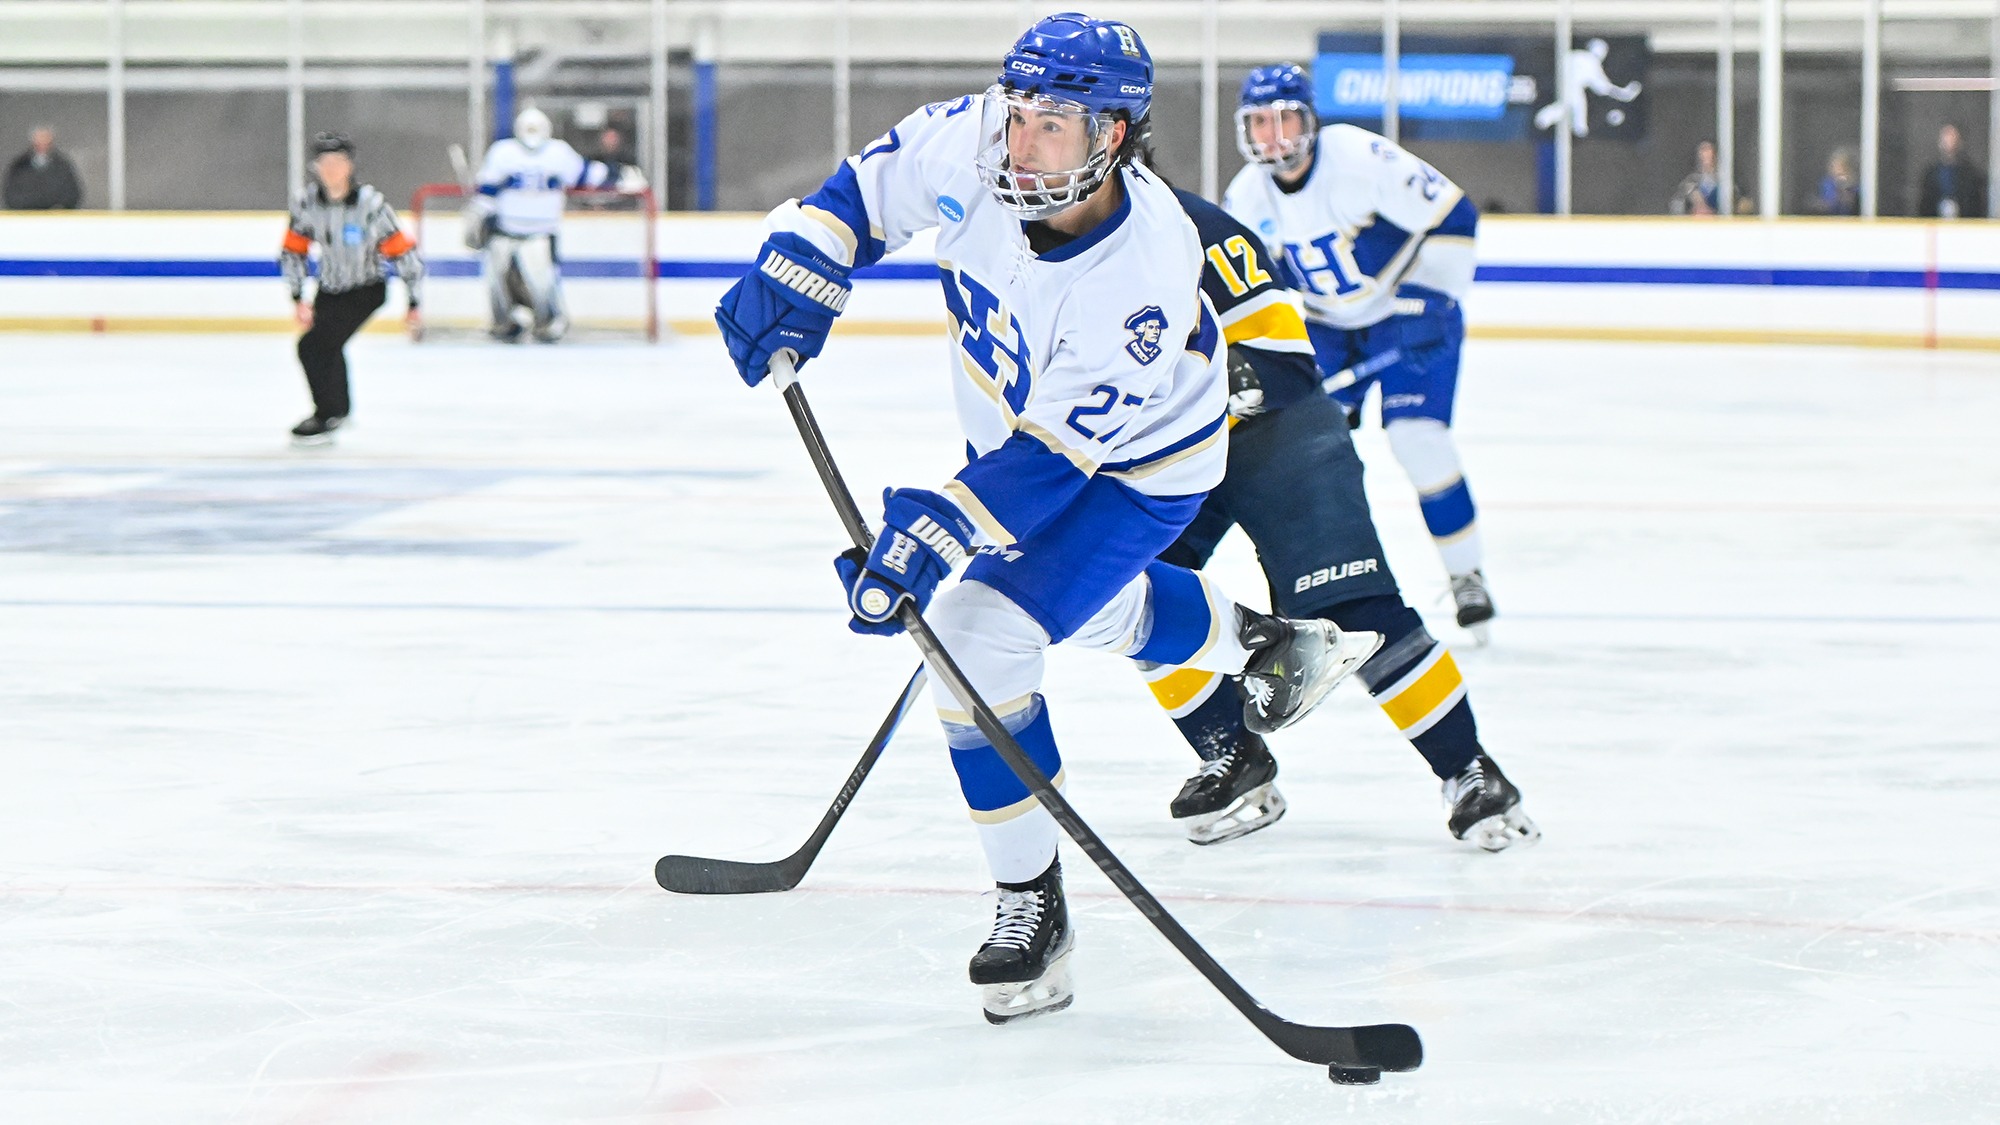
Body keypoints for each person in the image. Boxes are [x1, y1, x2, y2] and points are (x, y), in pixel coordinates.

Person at [713, 13, 1383, 1025]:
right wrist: (802, 269)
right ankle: (1261, 638)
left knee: (977, 639)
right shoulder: (974, 139)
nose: (1019, 146)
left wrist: (933, 532)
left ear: (1112, 134)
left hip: (1136, 467)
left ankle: (1032, 907)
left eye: (1052, 127)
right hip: (1013, 438)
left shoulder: (1143, 275)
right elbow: (858, 197)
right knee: (1058, 604)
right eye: (1018, 116)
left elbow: (1052, 465)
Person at [1143, 184, 1539, 854]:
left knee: (1357, 608)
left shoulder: (1179, 222)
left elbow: (1277, 352)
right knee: (1134, 591)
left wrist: (1227, 378)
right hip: (1172, 446)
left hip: (1277, 430)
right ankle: (1231, 752)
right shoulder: (1034, 253)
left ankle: (1469, 771)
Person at [1223, 63, 1498, 640]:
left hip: (1406, 314)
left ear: (1311, 119)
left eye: (1285, 119)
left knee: (1416, 438)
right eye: (1260, 123)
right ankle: (1318, 587)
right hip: (1325, 330)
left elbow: (1454, 215)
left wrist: (1433, 298)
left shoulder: (1355, 157)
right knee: (1307, 459)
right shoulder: (1245, 196)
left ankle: (1465, 576)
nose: (1274, 136)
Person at [277, 133, 422, 445]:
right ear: (316, 167)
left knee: (312, 347)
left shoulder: (371, 205)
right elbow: (293, 251)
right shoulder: (307, 204)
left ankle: (325, 414)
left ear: (349, 165)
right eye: (325, 163)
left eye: (338, 162)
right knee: (328, 346)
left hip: (365, 290)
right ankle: (339, 410)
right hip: (329, 289)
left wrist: (414, 303)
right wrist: (298, 295)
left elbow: (403, 252)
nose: (332, 169)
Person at [464, 107, 639, 342]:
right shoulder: (503, 152)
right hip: (504, 230)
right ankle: (503, 322)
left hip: (541, 232)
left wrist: (620, 175)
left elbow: (589, 175)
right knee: (495, 280)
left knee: (542, 283)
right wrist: (476, 219)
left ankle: (548, 321)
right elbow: (485, 194)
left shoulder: (558, 153)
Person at [1917, 124, 1988, 220]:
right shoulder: (1931, 173)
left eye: (1952, 137)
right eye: (1946, 137)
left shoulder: (1970, 174)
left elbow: (1975, 202)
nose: (1948, 142)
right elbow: (1925, 203)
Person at [4, 126, 84, 210]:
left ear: (51, 143)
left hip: (56, 219)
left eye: (46, 143)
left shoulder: (63, 166)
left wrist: (60, 208)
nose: (42, 146)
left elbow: (73, 193)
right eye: (39, 143)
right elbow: (11, 195)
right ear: (33, 143)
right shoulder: (18, 166)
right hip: (26, 219)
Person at [1669, 140, 1734, 216]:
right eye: (1703, 153)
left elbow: (1737, 203)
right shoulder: (1691, 181)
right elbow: (1676, 204)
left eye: (1709, 154)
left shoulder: (1724, 181)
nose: (1706, 158)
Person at [1813, 148, 1860, 216]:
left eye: (1842, 166)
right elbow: (1824, 203)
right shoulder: (1827, 184)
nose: (1837, 169)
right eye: (1834, 166)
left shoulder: (1857, 185)